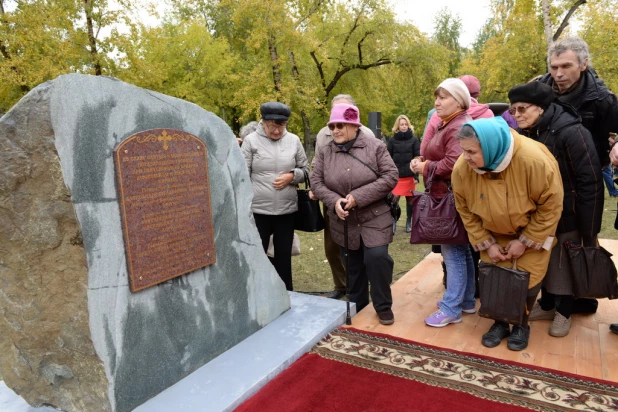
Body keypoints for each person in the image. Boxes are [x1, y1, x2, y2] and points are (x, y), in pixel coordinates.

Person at [452, 117, 563, 350]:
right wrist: (487, 243)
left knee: (529, 280)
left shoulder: (534, 161)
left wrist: (524, 242)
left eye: (472, 151)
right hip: (492, 234)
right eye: (464, 151)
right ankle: (500, 323)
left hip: (530, 231)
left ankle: (522, 324)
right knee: (495, 279)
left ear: (491, 147)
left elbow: (550, 206)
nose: (466, 157)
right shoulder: (463, 168)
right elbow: (464, 209)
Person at [508, 81, 604, 337]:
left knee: (564, 264)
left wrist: (589, 228)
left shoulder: (572, 132)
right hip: (539, 214)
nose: (516, 115)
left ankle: (564, 311)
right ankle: (548, 304)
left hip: (569, 214)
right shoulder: (528, 132)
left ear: (540, 107)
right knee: (545, 262)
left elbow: (590, 182)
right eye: (513, 110)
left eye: (522, 109)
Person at [538, 37, 618, 315]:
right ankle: (549, 299)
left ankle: (583, 296)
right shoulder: (540, 88)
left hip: (586, 179)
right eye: (554, 66)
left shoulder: (602, 100)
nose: (558, 74)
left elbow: (614, 134)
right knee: (546, 238)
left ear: (583, 64)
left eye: (566, 66)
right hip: (546, 177)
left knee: (583, 237)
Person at [311, 103, 398, 325]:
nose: (335, 130)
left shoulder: (375, 146)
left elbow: (390, 176)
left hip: (374, 215)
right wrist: (334, 201)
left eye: (340, 125)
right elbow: (316, 182)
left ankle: (382, 304)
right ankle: (358, 306)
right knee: (353, 266)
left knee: (377, 257)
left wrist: (358, 196)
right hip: (344, 220)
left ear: (353, 125)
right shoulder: (324, 151)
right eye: (332, 126)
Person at [410, 78, 476, 328]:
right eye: (436, 97)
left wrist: (425, 166)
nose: (437, 102)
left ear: (459, 100)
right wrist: (422, 160)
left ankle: (452, 308)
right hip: (450, 196)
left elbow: (454, 164)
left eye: (443, 97)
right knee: (462, 250)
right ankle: (466, 300)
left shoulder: (459, 125)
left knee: (453, 253)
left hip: (452, 197)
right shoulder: (448, 123)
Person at [311, 94, 374, 300]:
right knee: (333, 247)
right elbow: (316, 165)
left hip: (361, 202)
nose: (338, 124)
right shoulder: (323, 135)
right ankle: (342, 284)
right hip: (332, 199)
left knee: (362, 248)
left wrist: (362, 194)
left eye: (345, 111)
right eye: (335, 113)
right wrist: (316, 186)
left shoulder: (367, 134)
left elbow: (377, 167)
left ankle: (361, 287)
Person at [241, 102, 309, 291]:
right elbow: (241, 175)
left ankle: (287, 294)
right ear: (263, 122)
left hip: (286, 211)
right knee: (258, 256)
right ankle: (259, 294)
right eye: (272, 126)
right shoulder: (250, 141)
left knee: (283, 258)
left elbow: (306, 170)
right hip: (258, 211)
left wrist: (292, 176)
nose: (277, 131)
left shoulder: (294, 140)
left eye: (281, 126)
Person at [387, 115, 420, 233]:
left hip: (409, 175)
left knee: (410, 201)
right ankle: (393, 221)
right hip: (396, 176)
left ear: (408, 125)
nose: (404, 126)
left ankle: (408, 222)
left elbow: (417, 157)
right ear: (398, 126)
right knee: (394, 200)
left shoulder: (414, 139)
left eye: (406, 124)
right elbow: (388, 158)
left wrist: (416, 175)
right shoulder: (392, 140)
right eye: (402, 124)